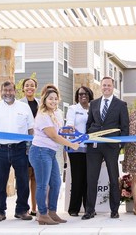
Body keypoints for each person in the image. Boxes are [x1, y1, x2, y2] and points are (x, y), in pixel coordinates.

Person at [0, 80, 34, 222]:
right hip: (0, 149)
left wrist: (29, 147)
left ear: (15, 91)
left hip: (20, 149)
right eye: (5, 90)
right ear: (2, 91)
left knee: (23, 181)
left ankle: (22, 210)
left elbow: (31, 128)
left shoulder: (24, 107)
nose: (8, 93)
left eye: (10, 90)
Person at [29, 86, 80, 225]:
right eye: (50, 98)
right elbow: (53, 135)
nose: (54, 101)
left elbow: (58, 132)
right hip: (40, 151)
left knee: (56, 183)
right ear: (45, 99)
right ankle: (42, 214)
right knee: (42, 185)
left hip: (50, 152)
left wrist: (67, 130)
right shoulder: (43, 115)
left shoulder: (56, 114)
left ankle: (52, 212)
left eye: (56, 99)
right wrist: (72, 145)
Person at [82, 76, 129, 220]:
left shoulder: (121, 104)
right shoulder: (94, 103)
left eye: (109, 85)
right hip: (94, 146)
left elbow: (125, 127)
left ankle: (114, 210)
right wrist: (90, 137)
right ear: (101, 87)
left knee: (114, 179)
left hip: (111, 147)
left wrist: (120, 145)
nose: (106, 87)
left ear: (113, 87)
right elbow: (89, 124)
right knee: (91, 179)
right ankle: (90, 210)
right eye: (104, 85)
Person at [65, 86, 94, 217]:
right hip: (75, 148)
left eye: (86, 93)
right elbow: (69, 125)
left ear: (90, 95)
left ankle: (88, 208)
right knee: (77, 179)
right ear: (77, 96)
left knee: (89, 179)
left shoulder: (94, 108)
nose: (83, 96)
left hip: (91, 149)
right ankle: (73, 209)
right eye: (80, 94)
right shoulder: (73, 109)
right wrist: (72, 135)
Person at [19, 78, 40, 216]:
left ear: (35, 87)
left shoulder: (40, 103)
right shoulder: (19, 104)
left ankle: (34, 207)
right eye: (27, 86)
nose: (29, 88)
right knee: (25, 175)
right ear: (23, 88)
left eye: (32, 85)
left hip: (38, 143)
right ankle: (24, 207)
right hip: (24, 144)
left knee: (36, 177)